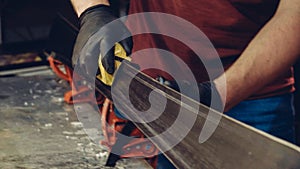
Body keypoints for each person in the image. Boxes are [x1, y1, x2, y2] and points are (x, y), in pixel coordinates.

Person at [70, 0, 300, 168]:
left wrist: (218, 95)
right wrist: (93, 10)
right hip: (158, 96)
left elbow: (294, 12)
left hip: (252, 102)